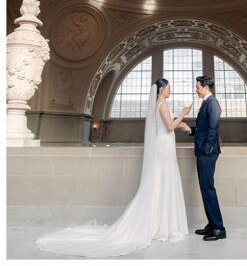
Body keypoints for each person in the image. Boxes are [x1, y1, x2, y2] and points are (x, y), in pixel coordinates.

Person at [36, 79, 190, 257]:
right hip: (164, 147)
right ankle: (161, 225)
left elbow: (167, 125)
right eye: (169, 88)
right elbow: (169, 126)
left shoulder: (159, 104)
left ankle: (160, 222)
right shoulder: (162, 104)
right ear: (162, 89)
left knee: (161, 182)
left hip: (163, 145)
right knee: (163, 181)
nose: (171, 90)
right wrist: (183, 114)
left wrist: (180, 124)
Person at [182, 75, 225, 241]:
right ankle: (212, 225)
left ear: (205, 87)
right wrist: (189, 129)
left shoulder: (212, 103)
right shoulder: (206, 103)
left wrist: (207, 150)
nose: (196, 89)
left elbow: (213, 128)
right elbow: (203, 128)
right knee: (205, 189)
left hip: (207, 153)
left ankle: (219, 229)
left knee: (208, 189)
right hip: (203, 152)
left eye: (197, 87)